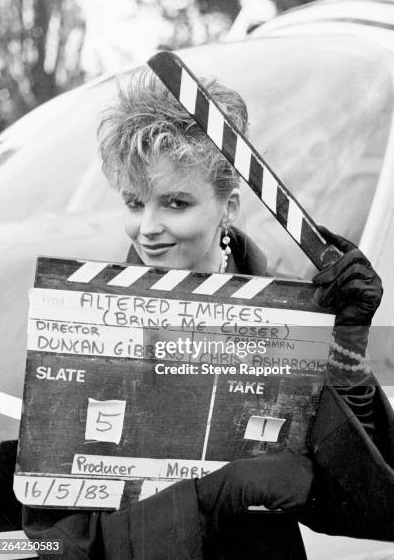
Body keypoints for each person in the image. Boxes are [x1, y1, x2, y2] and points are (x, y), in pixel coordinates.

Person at [23, 67, 394, 559]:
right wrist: (215, 496)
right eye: (135, 202)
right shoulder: (85, 324)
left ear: (229, 206)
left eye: (175, 203)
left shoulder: (289, 322)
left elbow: (371, 505)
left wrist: (345, 349)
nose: (147, 227)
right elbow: (56, 544)